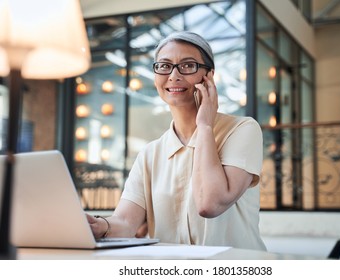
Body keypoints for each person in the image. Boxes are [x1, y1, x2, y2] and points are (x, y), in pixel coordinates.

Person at [87, 31, 267, 250]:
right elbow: (125, 223)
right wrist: (97, 225)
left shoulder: (242, 130)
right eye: (164, 66)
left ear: (209, 75)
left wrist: (205, 126)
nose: (173, 75)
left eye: (188, 65)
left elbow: (210, 203)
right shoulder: (150, 154)